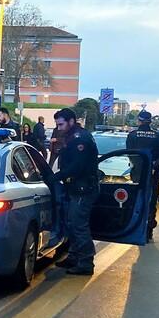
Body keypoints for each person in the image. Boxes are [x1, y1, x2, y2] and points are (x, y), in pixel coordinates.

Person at [52, 107, 99, 275]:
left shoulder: (80, 138)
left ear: (71, 121)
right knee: (71, 223)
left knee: (79, 225)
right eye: (57, 125)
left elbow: (77, 166)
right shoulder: (72, 136)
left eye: (61, 124)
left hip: (83, 188)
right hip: (75, 187)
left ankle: (86, 262)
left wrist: (57, 177)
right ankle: (73, 257)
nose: (59, 128)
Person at [127, 110, 159, 241]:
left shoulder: (132, 135)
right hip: (152, 175)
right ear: (150, 122)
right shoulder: (158, 136)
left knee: (136, 201)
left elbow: (130, 153)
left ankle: (134, 228)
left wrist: (138, 166)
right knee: (151, 202)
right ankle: (148, 231)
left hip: (137, 175)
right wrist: (154, 167)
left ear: (139, 121)